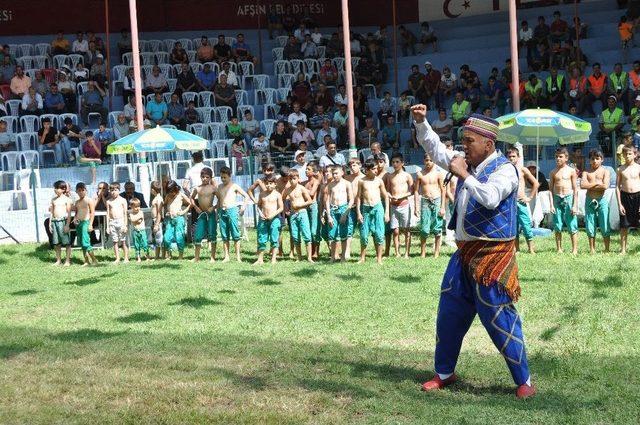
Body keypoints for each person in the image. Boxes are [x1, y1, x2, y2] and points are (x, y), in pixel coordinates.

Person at [412, 106, 535, 399]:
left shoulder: (506, 169)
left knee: (499, 318)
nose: (464, 146)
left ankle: (524, 380)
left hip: (493, 257)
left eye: (469, 141)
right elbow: (437, 149)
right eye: (463, 140)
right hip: (464, 254)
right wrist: (421, 123)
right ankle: (444, 372)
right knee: (449, 314)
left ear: (488, 144)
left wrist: (465, 176)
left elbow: (491, 198)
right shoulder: (464, 162)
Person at [356, 159, 389, 264]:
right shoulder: (361, 181)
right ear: (368, 170)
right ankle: (362, 257)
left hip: (378, 207)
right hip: (366, 208)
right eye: (373, 169)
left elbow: (385, 196)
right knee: (364, 234)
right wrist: (358, 212)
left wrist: (387, 212)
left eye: (376, 168)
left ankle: (379, 258)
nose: (376, 170)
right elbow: (358, 198)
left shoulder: (379, 181)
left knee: (379, 234)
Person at [506, 148, 538, 254]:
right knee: (513, 227)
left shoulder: (522, 169)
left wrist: (529, 197)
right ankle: (516, 249)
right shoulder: (505, 170)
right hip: (510, 203)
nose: (511, 158)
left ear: (518, 157)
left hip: (521, 202)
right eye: (509, 156)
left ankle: (531, 249)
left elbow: (535, 183)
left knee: (526, 225)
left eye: (514, 156)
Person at [414, 153, 445, 258]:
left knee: (437, 227)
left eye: (431, 160)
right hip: (425, 200)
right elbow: (416, 191)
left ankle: (436, 252)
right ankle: (423, 252)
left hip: (436, 200)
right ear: (424, 161)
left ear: (434, 161)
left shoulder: (438, 174)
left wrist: (442, 207)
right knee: (424, 228)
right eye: (427, 160)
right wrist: (416, 207)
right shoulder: (420, 174)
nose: (429, 162)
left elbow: (443, 190)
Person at [549, 147, 579, 255]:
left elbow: (575, 189)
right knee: (557, 224)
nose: (558, 158)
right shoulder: (553, 172)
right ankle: (559, 248)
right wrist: (551, 205)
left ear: (566, 158)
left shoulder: (571, 171)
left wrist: (575, 205)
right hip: (557, 198)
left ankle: (574, 249)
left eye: (560, 156)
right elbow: (550, 190)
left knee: (572, 224)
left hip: (568, 198)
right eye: (556, 156)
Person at [581, 149, 611, 254]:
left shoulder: (605, 171)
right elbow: (582, 185)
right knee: (590, 223)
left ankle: (607, 249)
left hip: (602, 200)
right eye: (592, 159)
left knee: (605, 224)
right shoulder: (586, 172)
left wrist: (590, 185)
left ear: (602, 159)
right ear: (589, 160)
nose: (594, 161)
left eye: (597, 158)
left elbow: (605, 186)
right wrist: (596, 183)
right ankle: (592, 249)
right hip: (589, 200)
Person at [384, 153, 413, 258]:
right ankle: (397, 252)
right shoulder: (390, 176)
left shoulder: (407, 175)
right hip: (393, 206)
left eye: (397, 162)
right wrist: (390, 195)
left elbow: (412, 191)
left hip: (404, 204)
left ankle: (406, 253)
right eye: (393, 162)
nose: (395, 164)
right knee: (395, 230)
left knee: (406, 229)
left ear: (402, 163)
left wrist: (401, 196)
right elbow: (387, 190)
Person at [216, 166, 249, 262]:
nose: (223, 179)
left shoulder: (234, 186)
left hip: (232, 210)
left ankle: (238, 256)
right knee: (224, 235)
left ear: (230, 176)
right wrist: (217, 213)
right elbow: (219, 200)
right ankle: (226, 256)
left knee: (235, 234)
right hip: (222, 211)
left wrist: (243, 207)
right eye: (221, 177)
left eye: (225, 177)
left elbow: (246, 196)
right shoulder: (219, 186)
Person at [324, 165, 354, 262]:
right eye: (333, 173)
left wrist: (346, 213)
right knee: (332, 234)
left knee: (343, 234)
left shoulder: (347, 184)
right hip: (333, 209)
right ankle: (333, 257)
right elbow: (327, 200)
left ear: (342, 173)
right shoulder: (330, 185)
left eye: (336, 173)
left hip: (343, 209)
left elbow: (351, 199)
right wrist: (328, 215)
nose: (334, 175)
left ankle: (343, 257)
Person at [283, 169, 314, 262]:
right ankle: (299, 257)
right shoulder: (287, 190)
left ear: (298, 178)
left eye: (294, 178)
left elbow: (310, 201)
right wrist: (286, 210)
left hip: (302, 213)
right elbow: (282, 199)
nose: (292, 181)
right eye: (290, 179)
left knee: (307, 235)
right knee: (295, 236)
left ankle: (309, 258)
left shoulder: (301, 188)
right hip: (293, 215)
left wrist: (300, 205)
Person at [254, 174, 284, 265]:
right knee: (261, 239)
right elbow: (258, 206)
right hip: (263, 220)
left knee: (274, 239)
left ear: (275, 184)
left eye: (271, 183)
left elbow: (281, 208)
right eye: (267, 183)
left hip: (274, 220)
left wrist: (273, 215)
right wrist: (260, 213)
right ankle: (260, 259)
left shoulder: (277, 195)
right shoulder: (262, 194)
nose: (268, 185)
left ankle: (273, 258)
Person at [190, 167, 218, 262]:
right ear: (200, 177)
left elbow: (221, 199)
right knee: (198, 235)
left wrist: (213, 207)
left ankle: (212, 257)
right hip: (201, 214)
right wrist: (196, 207)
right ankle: (196, 257)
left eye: (207, 177)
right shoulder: (197, 188)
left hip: (211, 214)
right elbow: (191, 198)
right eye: (203, 177)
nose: (205, 179)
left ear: (210, 178)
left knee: (212, 234)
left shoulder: (213, 188)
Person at [616, 146, 640, 254]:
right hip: (625, 197)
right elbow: (617, 187)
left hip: (638, 197)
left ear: (635, 155)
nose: (628, 156)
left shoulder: (639, 168)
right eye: (625, 154)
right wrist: (620, 204)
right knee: (624, 226)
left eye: (630, 154)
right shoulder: (620, 169)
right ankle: (623, 249)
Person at [163, 180, 191, 260]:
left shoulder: (181, 195)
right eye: (169, 192)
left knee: (179, 237)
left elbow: (190, 203)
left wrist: (183, 212)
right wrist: (167, 212)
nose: (171, 194)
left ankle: (180, 256)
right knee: (166, 238)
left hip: (179, 219)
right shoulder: (168, 196)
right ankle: (169, 254)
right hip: (170, 219)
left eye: (172, 192)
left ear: (176, 189)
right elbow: (165, 205)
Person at [74, 182, 98, 266]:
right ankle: (86, 261)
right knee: (81, 242)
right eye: (79, 190)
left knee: (86, 242)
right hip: (79, 223)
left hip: (86, 222)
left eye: (82, 190)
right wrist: (75, 219)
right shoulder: (77, 202)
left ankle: (94, 260)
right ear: (76, 191)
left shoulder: (89, 200)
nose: (81, 192)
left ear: (86, 190)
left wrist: (90, 224)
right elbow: (76, 213)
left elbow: (92, 212)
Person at [49, 180, 73, 266]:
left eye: (57, 188)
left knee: (66, 242)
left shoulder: (68, 200)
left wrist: (67, 225)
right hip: (55, 222)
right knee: (56, 243)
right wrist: (50, 224)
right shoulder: (53, 200)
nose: (55, 190)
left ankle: (67, 260)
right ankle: (58, 260)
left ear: (63, 189)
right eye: (55, 188)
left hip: (63, 222)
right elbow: (51, 213)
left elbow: (69, 214)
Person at [106, 182, 130, 263]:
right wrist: (107, 226)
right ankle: (117, 258)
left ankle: (126, 258)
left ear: (119, 190)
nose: (113, 192)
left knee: (123, 241)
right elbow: (108, 214)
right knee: (115, 241)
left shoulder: (123, 200)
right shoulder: (109, 201)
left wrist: (125, 225)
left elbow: (125, 213)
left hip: (121, 221)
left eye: (115, 190)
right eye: (112, 190)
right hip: (112, 222)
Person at [305, 162, 322, 259]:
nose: (306, 171)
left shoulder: (315, 181)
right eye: (306, 169)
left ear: (314, 172)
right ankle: (311, 252)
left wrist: (302, 189)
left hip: (314, 206)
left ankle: (316, 251)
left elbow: (312, 193)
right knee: (308, 230)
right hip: (306, 207)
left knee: (314, 230)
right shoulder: (305, 182)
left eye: (309, 169)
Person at [129, 198, 150, 262]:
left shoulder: (141, 212)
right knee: (136, 244)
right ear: (131, 207)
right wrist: (135, 219)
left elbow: (139, 221)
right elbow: (133, 220)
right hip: (135, 231)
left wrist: (134, 220)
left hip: (142, 230)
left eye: (138, 206)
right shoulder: (131, 214)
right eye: (135, 207)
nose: (137, 208)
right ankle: (138, 257)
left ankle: (147, 257)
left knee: (145, 243)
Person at [150, 181, 164, 260]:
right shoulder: (156, 198)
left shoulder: (159, 199)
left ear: (153, 190)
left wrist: (157, 224)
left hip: (157, 221)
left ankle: (160, 256)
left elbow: (159, 213)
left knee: (159, 239)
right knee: (156, 239)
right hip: (154, 220)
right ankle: (157, 256)